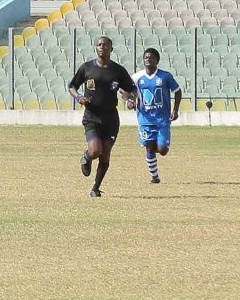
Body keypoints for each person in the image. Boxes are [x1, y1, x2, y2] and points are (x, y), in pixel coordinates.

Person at [69, 36, 137, 198]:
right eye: (99, 44)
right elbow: (72, 86)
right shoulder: (87, 68)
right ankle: (87, 157)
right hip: (92, 116)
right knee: (95, 150)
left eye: (105, 45)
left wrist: (130, 98)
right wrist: (79, 97)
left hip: (111, 118)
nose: (102, 47)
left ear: (111, 49)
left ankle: (96, 188)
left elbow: (132, 89)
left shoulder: (118, 70)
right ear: (96, 48)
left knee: (105, 154)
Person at [131, 47, 183, 185]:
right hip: (145, 119)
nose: (148, 59)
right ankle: (154, 177)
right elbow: (126, 91)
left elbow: (178, 91)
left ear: (157, 60)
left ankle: (156, 145)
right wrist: (130, 100)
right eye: (146, 57)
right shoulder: (137, 77)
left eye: (151, 57)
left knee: (162, 150)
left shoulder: (165, 76)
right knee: (149, 146)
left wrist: (175, 110)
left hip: (162, 119)